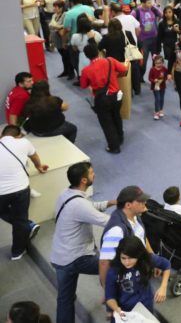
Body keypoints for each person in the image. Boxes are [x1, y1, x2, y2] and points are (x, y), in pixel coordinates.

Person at [50, 162, 114, 323]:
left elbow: (89, 207)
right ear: (84, 180)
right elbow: (108, 221)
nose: (95, 174)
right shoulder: (80, 205)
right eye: (92, 173)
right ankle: (113, 305)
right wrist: (130, 216)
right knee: (114, 265)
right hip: (78, 258)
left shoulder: (66, 193)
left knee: (65, 300)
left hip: (60, 257)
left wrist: (111, 203)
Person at [0, 126, 46, 260]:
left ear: (2, 134)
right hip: (22, 189)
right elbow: (35, 156)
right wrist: (39, 167)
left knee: (3, 212)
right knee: (20, 220)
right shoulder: (24, 142)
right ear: (19, 135)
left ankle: (29, 224)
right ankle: (17, 253)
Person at [103, 235, 171, 319]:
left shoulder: (147, 259)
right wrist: (116, 309)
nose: (127, 262)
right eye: (123, 258)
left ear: (138, 255)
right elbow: (110, 297)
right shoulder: (113, 271)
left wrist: (163, 287)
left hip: (146, 304)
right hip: (125, 309)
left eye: (131, 258)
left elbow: (166, 264)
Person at [98, 186, 150, 291]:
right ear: (128, 205)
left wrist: (152, 258)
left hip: (137, 269)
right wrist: (107, 290)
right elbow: (104, 262)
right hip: (125, 279)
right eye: (141, 201)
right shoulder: (116, 231)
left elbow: (142, 237)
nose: (145, 203)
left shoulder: (135, 216)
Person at [78, 43, 128, 152]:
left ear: (87, 56)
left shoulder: (86, 70)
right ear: (97, 51)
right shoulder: (110, 60)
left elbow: (83, 85)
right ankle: (120, 138)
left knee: (106, 123)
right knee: (117, 117)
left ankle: (114, 147)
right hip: (116, 95)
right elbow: (124, 69)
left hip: (101, 99)